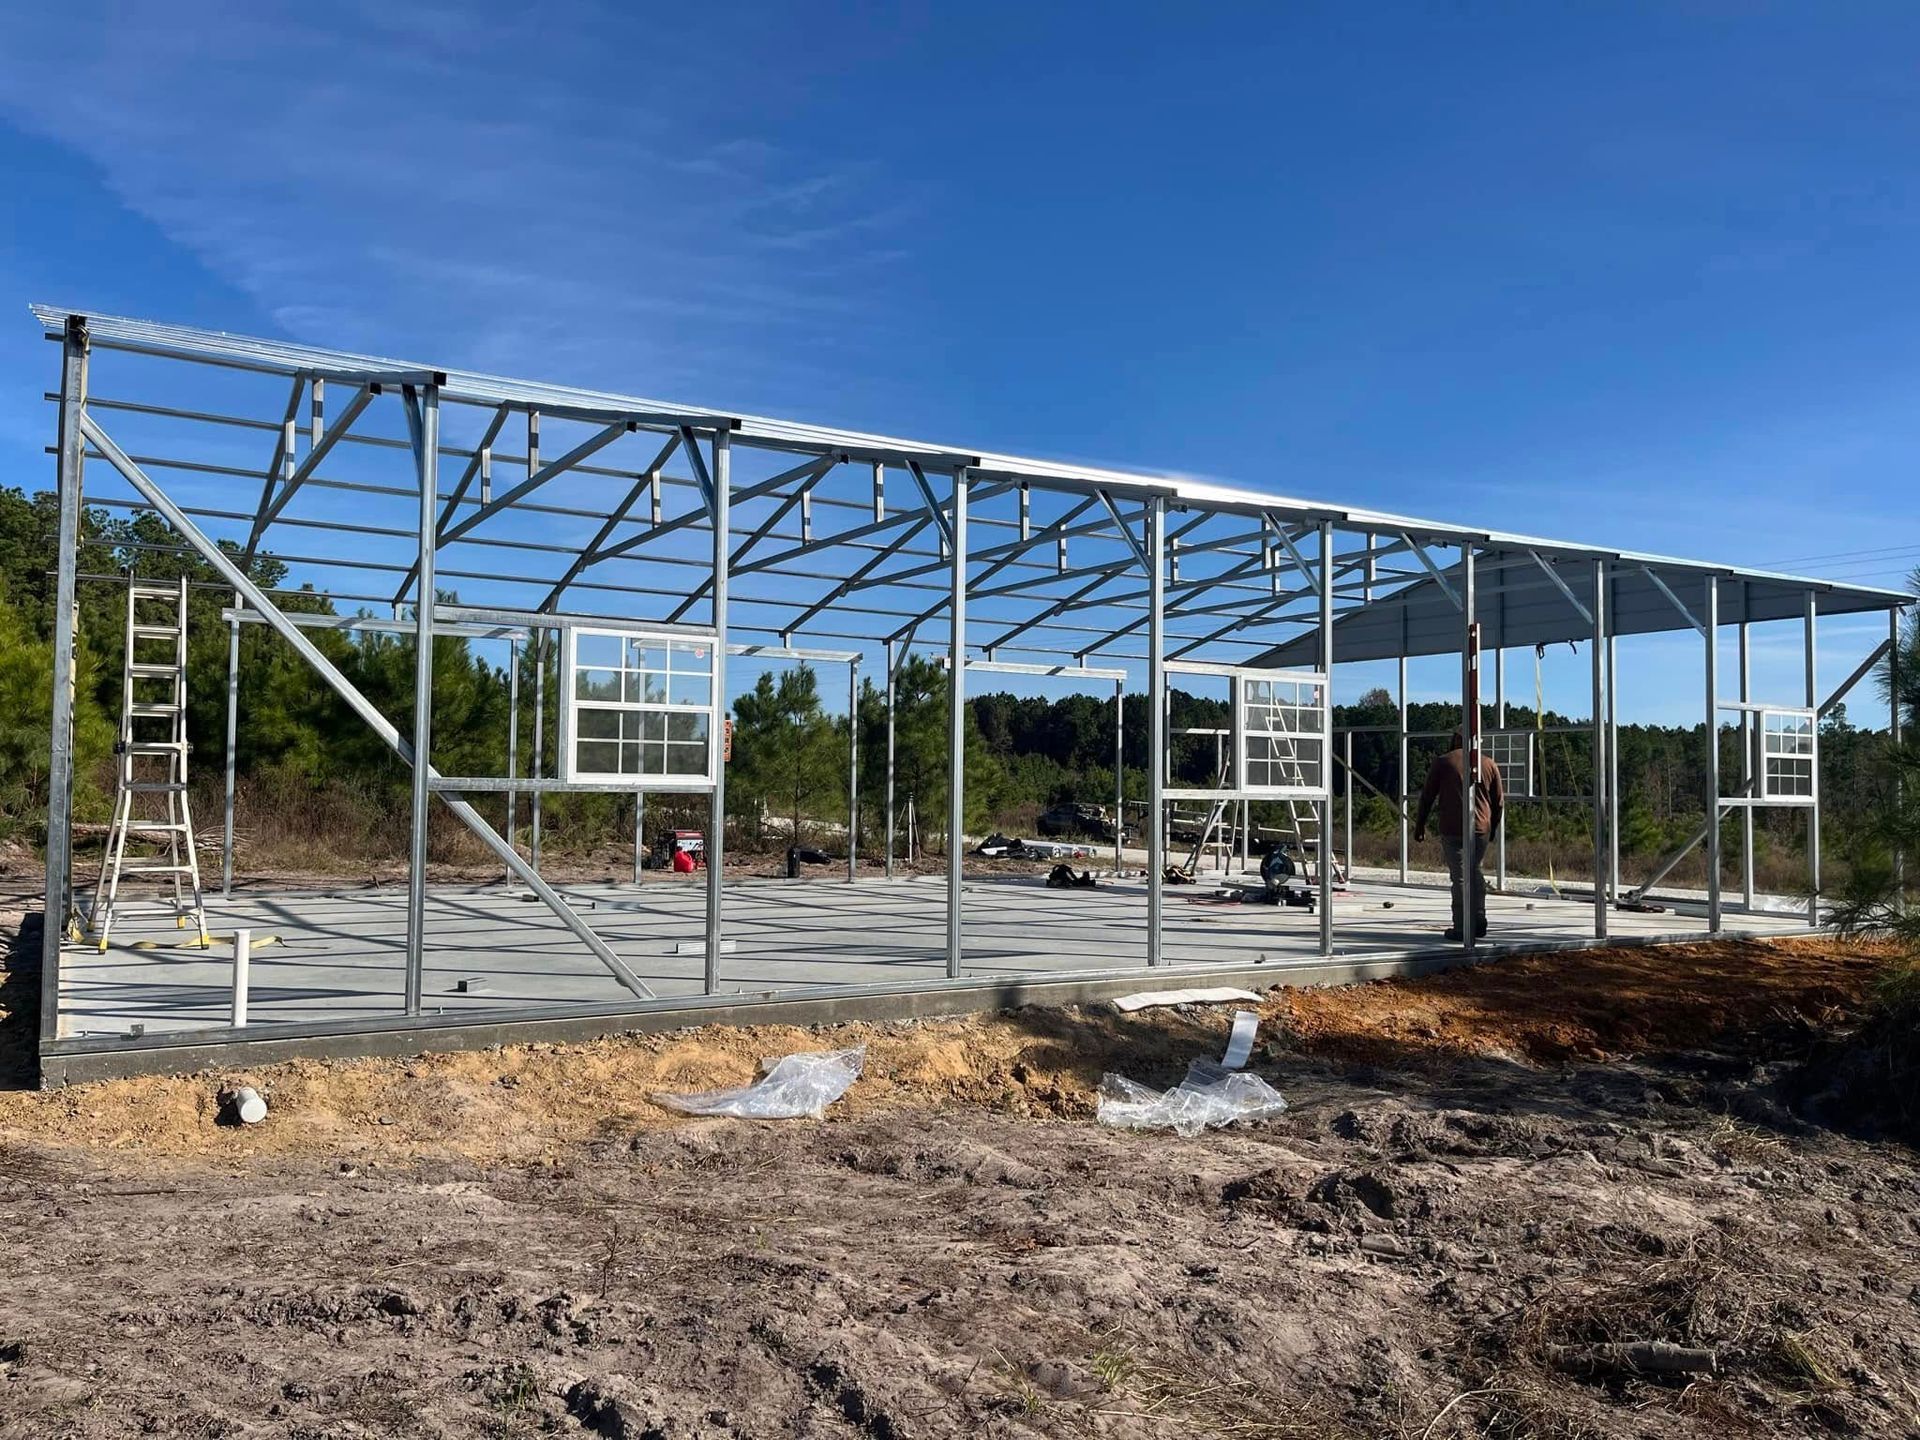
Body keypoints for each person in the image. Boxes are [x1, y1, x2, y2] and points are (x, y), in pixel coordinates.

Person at [1413, 729, 1504, 942]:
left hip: (1453, 828)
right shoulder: (1488, 763)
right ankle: (1479, 916)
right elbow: (1498, 802)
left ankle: (1462, 926)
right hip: (1482, 827)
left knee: (1461, 877)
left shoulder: (1443, 762)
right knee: (1475, 871)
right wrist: (1494, 829)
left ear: (1455, 739)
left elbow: (1427, 797)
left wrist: (1420, 825)